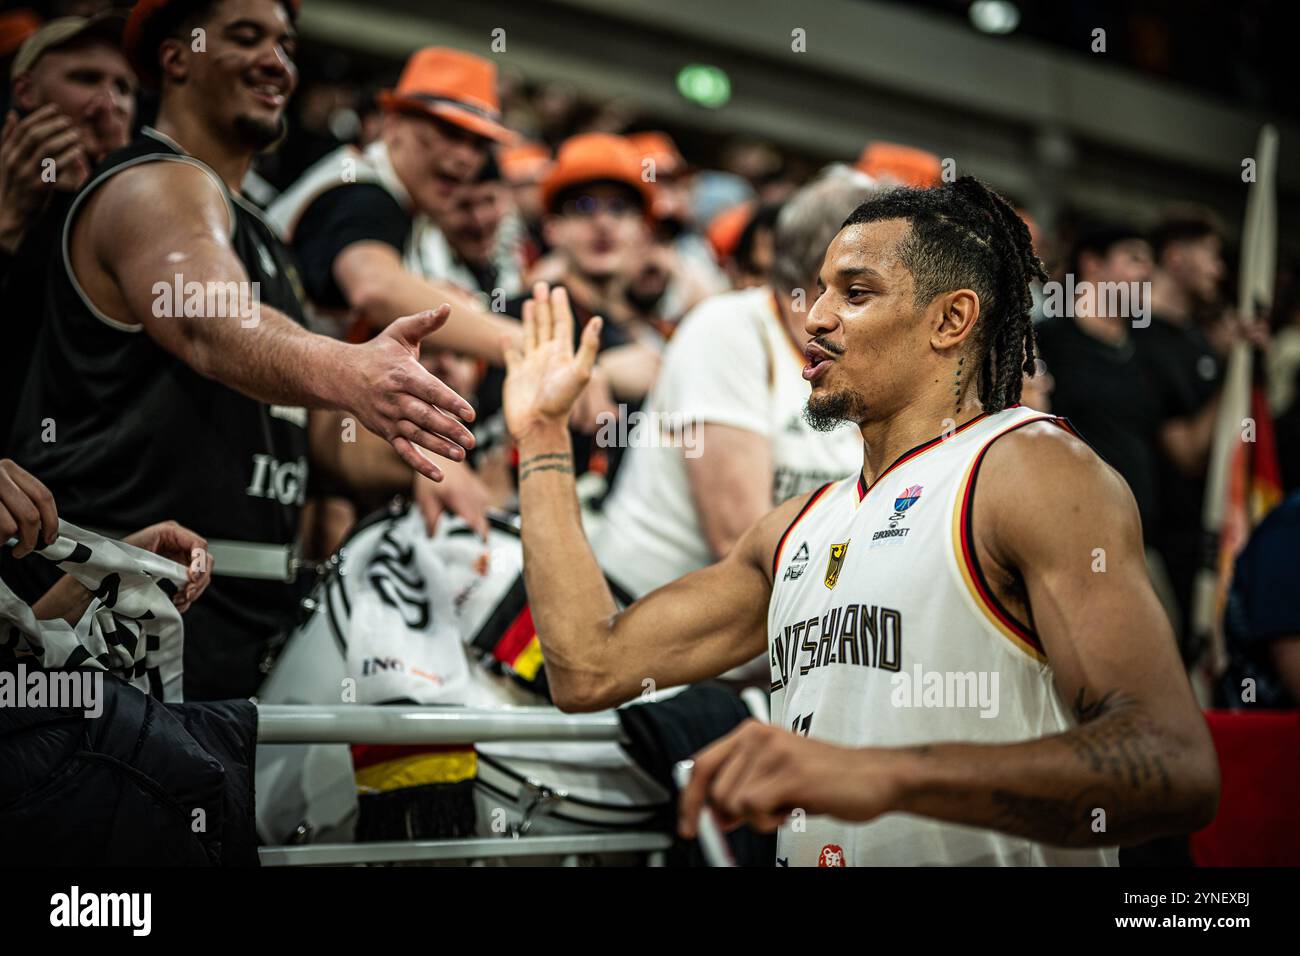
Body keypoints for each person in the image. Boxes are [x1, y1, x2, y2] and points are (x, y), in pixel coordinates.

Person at [500, 178, 1219, 866]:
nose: (813, 316)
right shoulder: (795, 529)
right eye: (818, 291)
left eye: (856, 292)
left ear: (951, 320)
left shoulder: (1029, 471)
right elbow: (588, 669)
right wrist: (540, 437)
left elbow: (1170, 762)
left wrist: (884, 775)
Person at [4, 0, 476, 700]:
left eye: (286, 44)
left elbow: (304, 430)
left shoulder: (259, 230)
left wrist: (430, 449)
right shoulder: (151, 183)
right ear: (177, 58)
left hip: (241, 621)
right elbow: (205, 320)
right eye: (246, 37)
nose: (275, 60)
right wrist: (350, 368)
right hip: (120, 613)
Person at [592, 175, 870, 601]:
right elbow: (740, 539)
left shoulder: (867, 354)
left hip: (759, 649)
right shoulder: (726, 329)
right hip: (646, 621)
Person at [269, 45, 521, 356]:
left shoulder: (403, 201)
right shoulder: (362, 193)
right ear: (393, 125)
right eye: (449, 132)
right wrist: (524, 346)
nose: (465, 157)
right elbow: (374, 288)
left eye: (479, 144)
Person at [0, 12, 136, 449]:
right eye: (86, 77)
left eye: (123, 88)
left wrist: (116, 186)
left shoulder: (141, 212)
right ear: (25, 91)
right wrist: (7, 226)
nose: (108, 103)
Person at [1034, 223, 1161, 534]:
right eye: (1134, 258)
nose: (1147, 272)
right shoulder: (1048, 340)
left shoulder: (1150, 347)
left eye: (1150, 261)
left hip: (1140, 527)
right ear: (1092, 262)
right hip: (1069, 520)